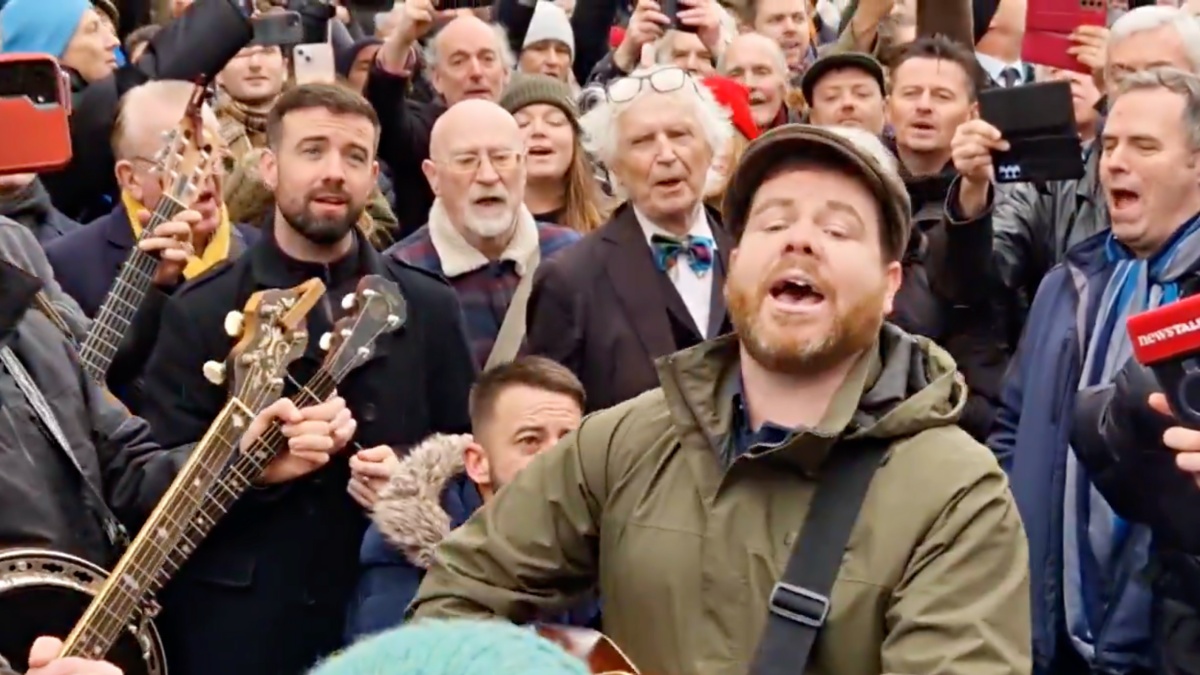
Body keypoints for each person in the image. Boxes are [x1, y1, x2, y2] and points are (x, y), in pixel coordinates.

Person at [408, 123, 1031, 675]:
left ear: (890, 284)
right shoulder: (623, 442)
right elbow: (455, 596)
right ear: (733, 265)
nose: (800, 241)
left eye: (837, 229)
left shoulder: (956, 494)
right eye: (774, 223)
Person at [137, 83, 476, 675]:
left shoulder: (429, 305)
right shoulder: (200, 308)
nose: (334, 172)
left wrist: (412, 486)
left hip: (390, 616)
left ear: (373, 177)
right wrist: (251, 467)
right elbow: (155, 483)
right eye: (312, 150)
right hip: (242, 630)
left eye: (353, 156)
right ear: (270, 168)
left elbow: (471, 461)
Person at [992, 67, 1200, 675]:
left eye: (1144, 146)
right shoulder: (1067, 284)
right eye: (1109, 145)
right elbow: (1012, 428)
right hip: (1053, 640)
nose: (1115, 163)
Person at [528, 65, 733, 412]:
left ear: (711, 150)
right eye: (642, 141)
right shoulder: (570, 280)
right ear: (614, 166)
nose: (666, 155)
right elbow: (548, 419)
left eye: (680, 135)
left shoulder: (751, 252)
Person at [346, 357, 594, 639]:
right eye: (530, 441)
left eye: (568, 441)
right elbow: (394, 656)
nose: (556, 458)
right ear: (478, 463)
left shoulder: (598, 538)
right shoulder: (402, 554)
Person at [389, 99, 580, 370]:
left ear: (523, 167)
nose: (488, 176)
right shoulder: (398, 277)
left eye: (502, 158)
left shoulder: (572, 256)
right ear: (434, 177)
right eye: (466, 161)